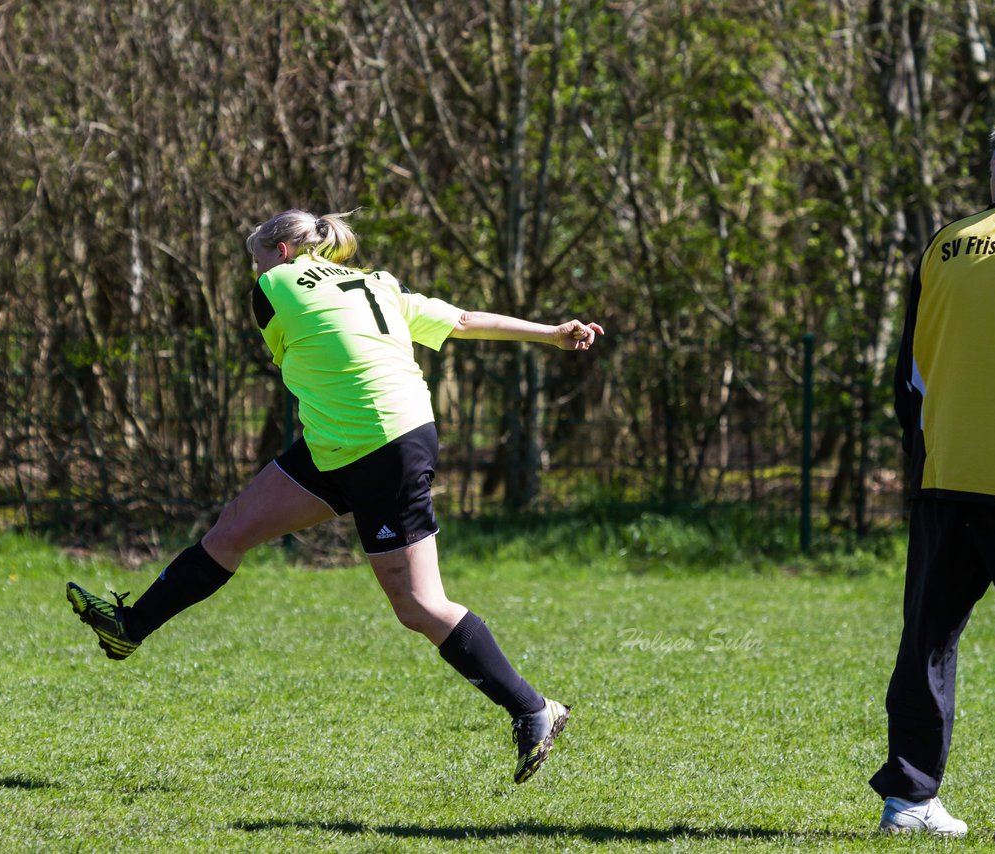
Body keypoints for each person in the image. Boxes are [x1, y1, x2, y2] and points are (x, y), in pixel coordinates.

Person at [67, 209, 604, 784]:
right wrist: (550, 333)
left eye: (256, 260)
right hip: (341, 438)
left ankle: (533, 708)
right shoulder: (380, 283)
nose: (255, 272)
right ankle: (130, 628)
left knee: (419, 605)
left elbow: (287, 351)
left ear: (279, 250)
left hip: (380, 442)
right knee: (234, 529)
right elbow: (465, 321)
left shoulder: (273, 285)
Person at [872, 123, 995, 838]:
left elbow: (909, 379)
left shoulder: (945, 244)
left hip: (945, 471)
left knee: (927, 639)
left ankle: (911, 798)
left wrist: (926, 454)